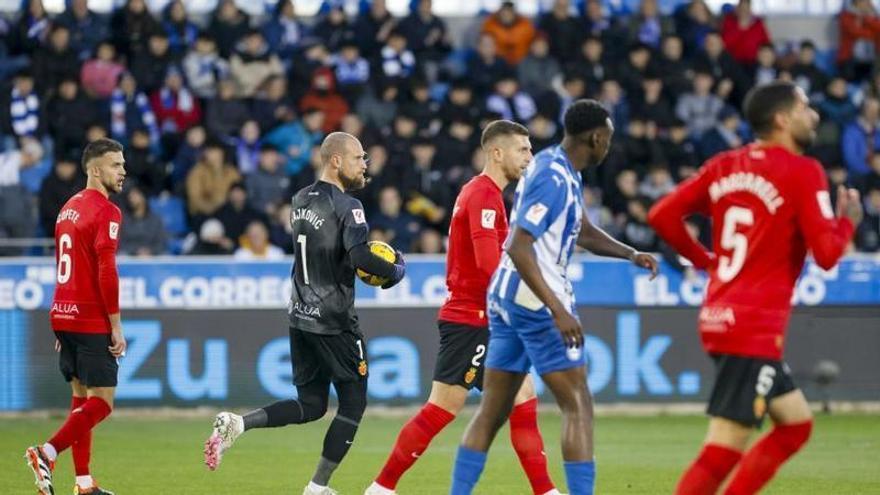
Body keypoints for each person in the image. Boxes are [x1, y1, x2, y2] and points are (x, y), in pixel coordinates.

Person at [647, 81, 862, 495]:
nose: (812, 114)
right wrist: (848, 219)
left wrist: (707, 261)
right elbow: (829, 253)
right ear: (782, 119)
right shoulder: (803, 171)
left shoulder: (725, 165)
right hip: (753, 327)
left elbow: (662, 215)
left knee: (795, 426)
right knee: (722, 450)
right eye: (804, 107)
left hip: (719, 315)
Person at [449, 100, 659, 495]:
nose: (609, 146)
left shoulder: (556, 167)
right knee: (578, 403)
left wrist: (630, 253)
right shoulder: (554, 177)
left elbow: (581, 229)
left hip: (507, 299)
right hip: (534, 301)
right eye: (608, 139)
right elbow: (519, 245)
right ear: (597, 138)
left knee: (493, 411)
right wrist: (557, 309)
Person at [203, 132, 407, 495]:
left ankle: (238, 423)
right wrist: (394, 271)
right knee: (353, 404)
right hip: (334, 320)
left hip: (301, 314)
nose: (365, 165)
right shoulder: (349, 206)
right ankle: (317, 487)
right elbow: (360, 257)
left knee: (311, 405)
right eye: (359, 158)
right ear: (336, 161)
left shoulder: (300, 199)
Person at [366, 121, 561, 495]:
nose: (529, 157)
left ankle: (546, 491)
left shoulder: (485, 194)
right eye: (523, 149)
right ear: (497, 152)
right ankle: (380, 489)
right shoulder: (484, 196)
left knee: (523, 398)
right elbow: (489, 266)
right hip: (473, 318)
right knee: (442, 408)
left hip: (487, 317)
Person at [25, 138, 128, 495]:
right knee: (102, 403)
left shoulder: (68, 207)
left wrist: (62, 316)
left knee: (81, 400)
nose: (123, 171)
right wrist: (115, 325)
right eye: (116, 164)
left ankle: (84, 484)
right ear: (95, 169)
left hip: (63, 312)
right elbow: (105, 271)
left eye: (123, 164)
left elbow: (63, 264)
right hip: (88, 317)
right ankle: (46, 451)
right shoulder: (106, 210)